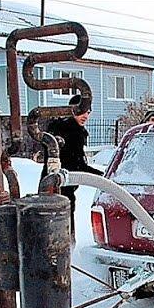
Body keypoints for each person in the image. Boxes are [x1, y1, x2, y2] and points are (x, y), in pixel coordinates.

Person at [46, 94, 103, 244]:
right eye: (82, 111)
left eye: (88, 112)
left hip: (56, 187)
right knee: (63, 227)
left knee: (56, 226)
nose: (86, 116)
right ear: (72, 110)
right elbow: (77, 165)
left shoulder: (62, 128)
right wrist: (103, 176)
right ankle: (67, 252)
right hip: (61, 188)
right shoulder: (72, 132)